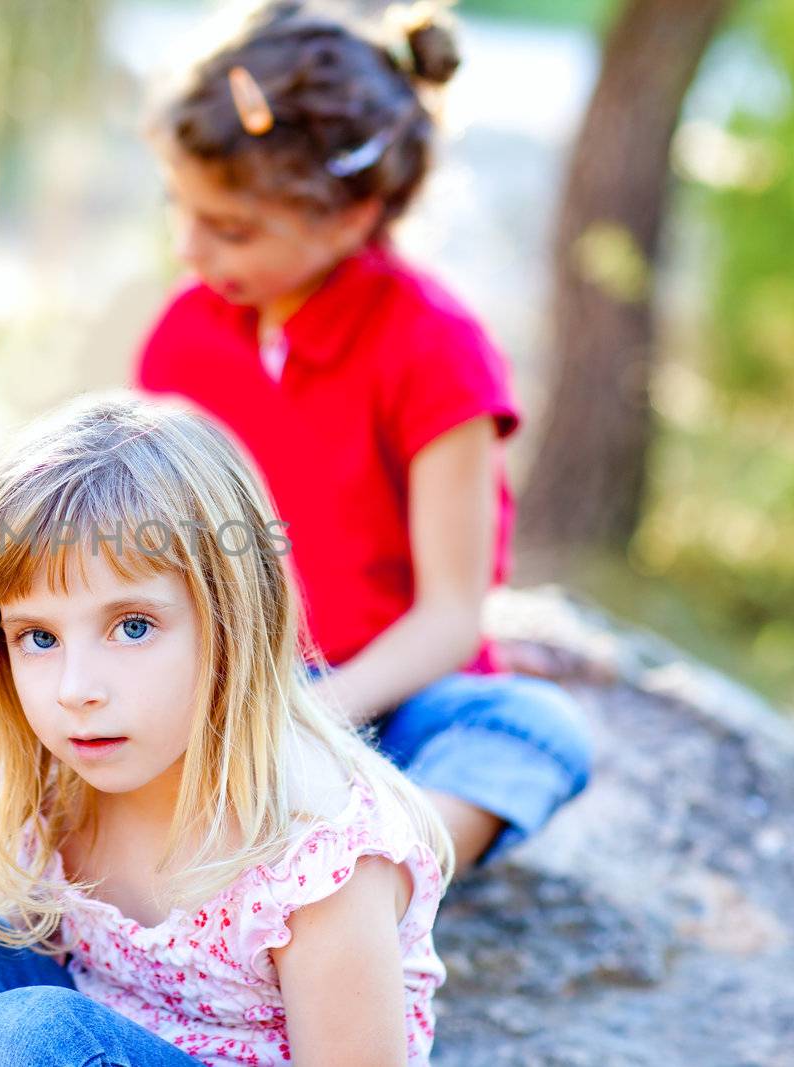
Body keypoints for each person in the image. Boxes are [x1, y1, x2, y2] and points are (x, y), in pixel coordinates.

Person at [0, 393, 454, 1065]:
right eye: (38, 636)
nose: (77, 689)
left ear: (232, 617)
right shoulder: (63, 793)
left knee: (30, 1038)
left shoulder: (315, 853)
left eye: (132, 626)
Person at [133, 0, 592, 875]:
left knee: (534, 731)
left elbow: (452, 614)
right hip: (231, 689)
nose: (188, 248)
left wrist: (309, 721)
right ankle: (247, 855)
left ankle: (370, 886)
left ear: (351, 215)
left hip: (387, 699)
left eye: (229, 229)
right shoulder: (183, 337)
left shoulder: (435, 351)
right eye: (178, 209)